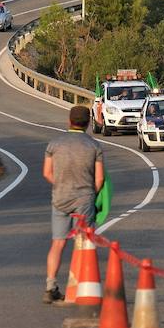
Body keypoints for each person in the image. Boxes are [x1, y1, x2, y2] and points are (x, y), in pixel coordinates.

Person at [42, 105, 104, 304]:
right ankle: (80, 287)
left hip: (59, 198)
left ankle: (50, 286)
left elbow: (47, 173)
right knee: (83, 242)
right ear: (87, 124)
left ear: (69, 121)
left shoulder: (54, 144)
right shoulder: (94, 146)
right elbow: (100, 179)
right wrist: (91, 194)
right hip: (84, 199)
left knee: (58, 243)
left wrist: (60, 185)